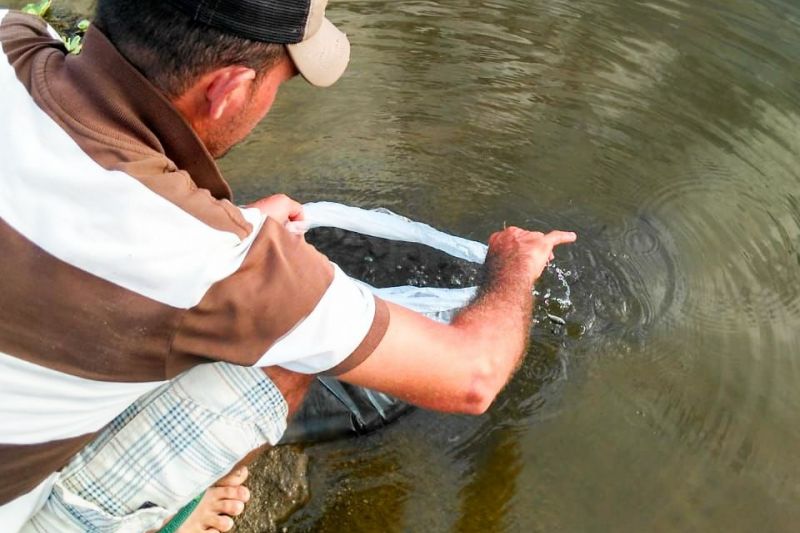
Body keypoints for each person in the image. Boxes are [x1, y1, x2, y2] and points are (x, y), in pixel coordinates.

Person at [0, 0, 577, 531]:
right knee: (283, 363)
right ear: (229, 88)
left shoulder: (12, 36)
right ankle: (168, 516)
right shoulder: (216, 262)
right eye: (281, 83)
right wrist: (512, 268)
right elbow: (472, 376)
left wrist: (239, 219)